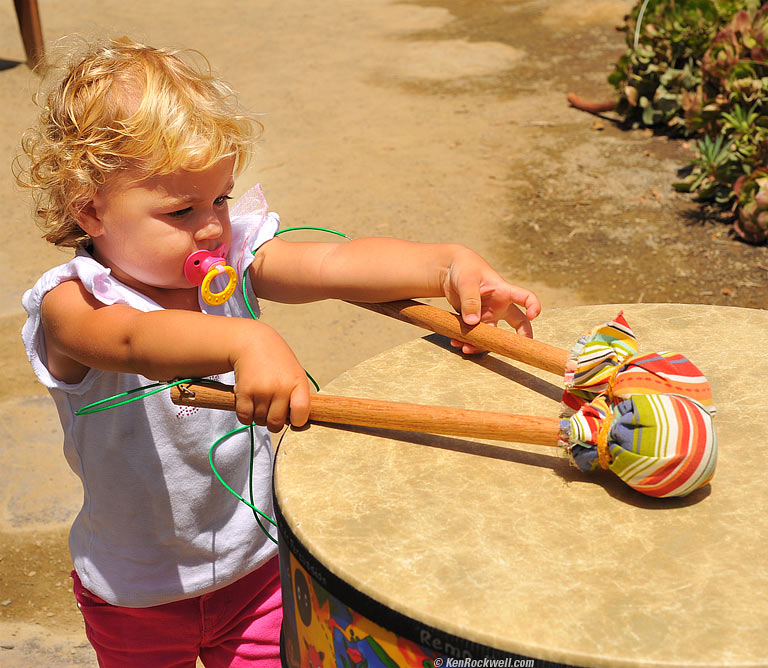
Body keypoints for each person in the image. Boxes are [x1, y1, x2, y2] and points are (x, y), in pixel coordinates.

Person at [17, 37, 541, 667]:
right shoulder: (71, 307)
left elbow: (331, 259)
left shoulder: (231, 258)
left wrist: (442, 266)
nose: (211, 227)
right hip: (136, 596)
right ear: (90, 209)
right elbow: (136, 341)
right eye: (181, 209)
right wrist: (247, 337)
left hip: (260, 568)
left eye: (220, 198)